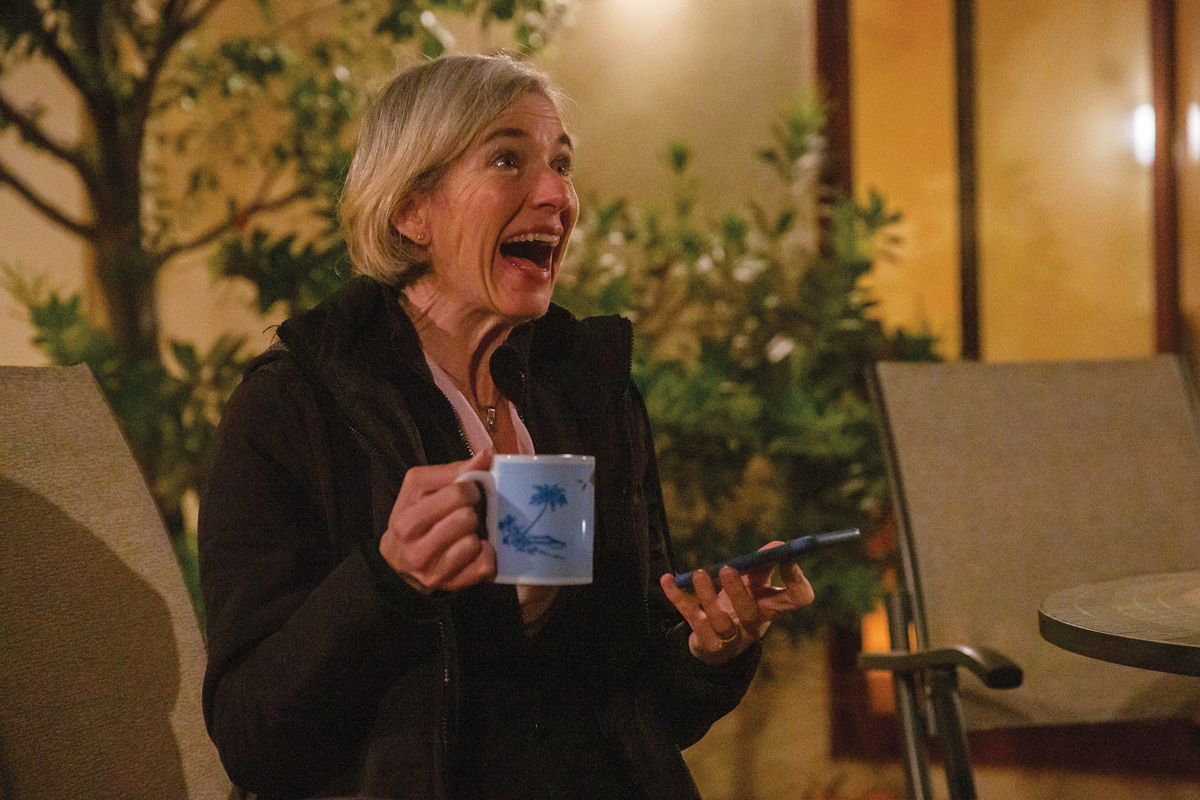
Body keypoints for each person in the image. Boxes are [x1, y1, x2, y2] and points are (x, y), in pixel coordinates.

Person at [199, 53, 815, 800]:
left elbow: (628, 702)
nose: (557, 194)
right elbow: (252, 738)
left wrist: (708, 648)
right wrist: (387, 582)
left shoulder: (585, 392)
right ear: (410, 208)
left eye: (561, 164)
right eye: (506, 160)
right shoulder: (295, 407)